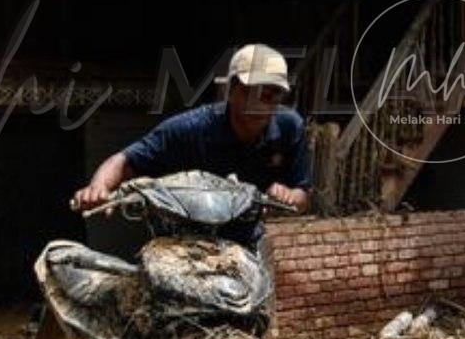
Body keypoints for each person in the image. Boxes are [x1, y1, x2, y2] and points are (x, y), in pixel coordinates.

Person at [73, 43, 312, 237]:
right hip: (183, 242)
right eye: (254, 91)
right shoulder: (191, 129)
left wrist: (289, 197)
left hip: (246, 243)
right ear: (232, 90)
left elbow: (302, 198)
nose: (262, 102)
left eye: (272, 95)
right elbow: (123, 160)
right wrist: (99, 187)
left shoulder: (289, 128)